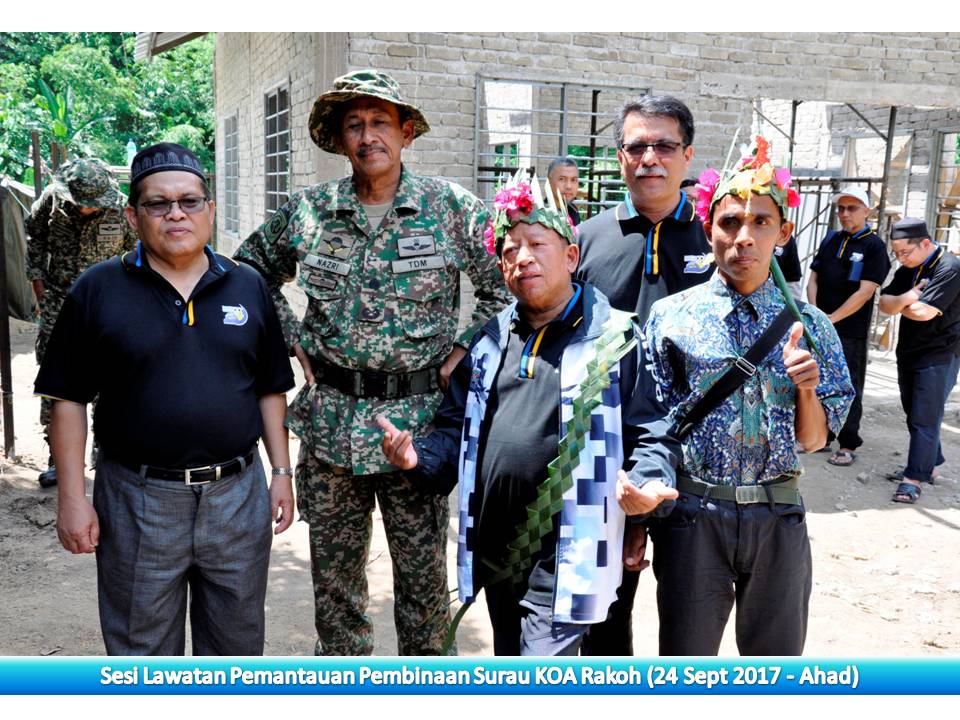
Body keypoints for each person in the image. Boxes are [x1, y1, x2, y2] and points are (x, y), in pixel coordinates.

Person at [234, 69, 509, 656]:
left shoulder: (450, 207)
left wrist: (463, 348)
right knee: (334, 588)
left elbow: (503, 284)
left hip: (418, 427)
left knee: (424, 590)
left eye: (380, 122)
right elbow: (248, 268)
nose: (367, 136)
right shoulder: (310, 210)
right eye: (353, 125)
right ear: (338, 139)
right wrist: (291, 333)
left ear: (405, 132)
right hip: (333, 426)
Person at [378, 178, 679, 655]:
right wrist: (420, 456)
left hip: (570, 546)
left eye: (538, 244)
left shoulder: (616, 340)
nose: (523, 258)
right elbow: (457, 427)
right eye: (511, 250)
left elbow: (651, 432)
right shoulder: (487, 341)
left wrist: (647, 482)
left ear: (572, 258)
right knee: (509, 654)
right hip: (500, 549)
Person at [34, 142, 295, 655]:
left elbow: (270, 387)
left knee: (238, 649)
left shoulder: (248, 286)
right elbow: (67, 399)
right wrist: (71, 496)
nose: (175, 213)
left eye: (189, 201)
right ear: (133, 215)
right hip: (137, 499)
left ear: (210, 210)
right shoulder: (97, 289)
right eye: (158, 203)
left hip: (236, 496)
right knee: (141, 651)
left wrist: (281, 474)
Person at [645, 136, 853, 655]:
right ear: (708, 228)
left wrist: (806, 388)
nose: (744, 237)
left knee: (775, 672)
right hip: (693, 517)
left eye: (761, 222)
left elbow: (812, 442)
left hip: (779, 517)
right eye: (730, 221)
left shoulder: (814, 327)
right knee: (685, 667)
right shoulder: (672, 318)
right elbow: (653, 430)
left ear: (783, 232)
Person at [574, 94, 712, 655]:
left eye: (664, 145)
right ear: (618, 157)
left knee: (691, 622)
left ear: (688, 155)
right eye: (636, 146)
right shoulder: (584, 240)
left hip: (700, 461)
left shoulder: (720, 235)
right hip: (604, 458)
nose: (649, 157)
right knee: (604, 621)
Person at [25, 157, 137, 488]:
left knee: (112, 379)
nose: (87, 210)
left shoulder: (122, 210)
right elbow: (34, 237)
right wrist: (38, 284)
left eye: (93, 205)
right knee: (57, 380)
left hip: (108, 304)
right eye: (82, 204)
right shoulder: (52, 200)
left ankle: (107, 455)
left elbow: (135, 254)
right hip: (59, 299)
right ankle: (59, 458)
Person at [807, 187, 891, 467]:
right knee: (818, 382)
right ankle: (822, 436)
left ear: (867, 211)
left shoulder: (874, 247)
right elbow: (813, 279)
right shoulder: (831, 239)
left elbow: (865, 292)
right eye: (841, 208)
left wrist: (832, 319)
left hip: (849, 330)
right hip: (822, 326)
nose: (844, 214)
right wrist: (818, 315)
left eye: (852, 208)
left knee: (849, 385)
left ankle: (848, 442)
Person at [879, 218, 960, 504]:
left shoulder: (949, 268)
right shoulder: (909, 269)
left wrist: (903, 303)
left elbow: (924, 313)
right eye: (897, 253)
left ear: (925, 243)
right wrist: (910, 296)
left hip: (940, 353)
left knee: (925, 417)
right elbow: (884, 304)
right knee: (914, 413)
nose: (901, 259)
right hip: (910, 350)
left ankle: (913, 479)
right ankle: (932, 463)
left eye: (905, 252)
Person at [546, 156, 582, 226]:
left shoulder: (573, 211)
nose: (569, 186)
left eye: (573, 180)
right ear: (549, 181)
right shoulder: (540, 215)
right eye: (562, 179)